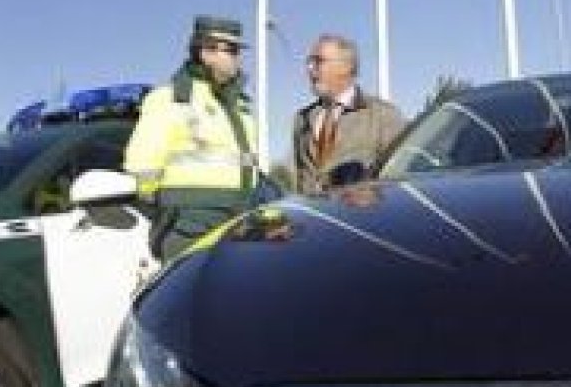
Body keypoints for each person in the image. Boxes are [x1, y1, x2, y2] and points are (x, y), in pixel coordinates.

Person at [125, 16, 259, 261]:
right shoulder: (171, 98)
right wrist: (166, 211)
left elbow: (249, 167)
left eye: (237, 51)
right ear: (205, 52)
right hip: (189, 227)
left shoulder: (240, 106)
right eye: (232, 50)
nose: (237, 58)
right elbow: (142, 166)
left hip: (240, 222)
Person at [292, 33, 405, 194]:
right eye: (309, 62)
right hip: (315, 217)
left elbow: (400, 179)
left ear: (345, 67)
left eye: (318, 61)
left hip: (360, 217)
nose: (310, 68)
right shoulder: (302, 119)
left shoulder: (382, 116)